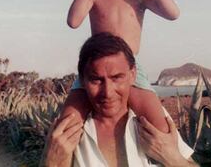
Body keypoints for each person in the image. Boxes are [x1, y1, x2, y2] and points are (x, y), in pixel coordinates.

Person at [62, 0, 180, 134]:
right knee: (67, 122)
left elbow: (173, 13)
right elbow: (73, 21)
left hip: (128, 66)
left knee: (158, 124)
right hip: (95, 66)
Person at [42, 33, 195, 167]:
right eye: (96, 80)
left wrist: (174, 160)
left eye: (117, 78)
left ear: (133, 75)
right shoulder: (68, 135)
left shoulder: (154, 123)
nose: (108, 93)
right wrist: (51, 163)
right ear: (82, 80)